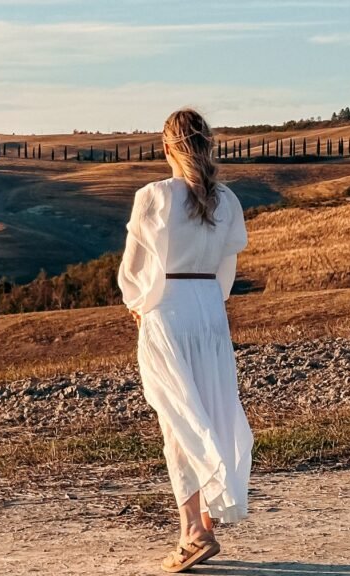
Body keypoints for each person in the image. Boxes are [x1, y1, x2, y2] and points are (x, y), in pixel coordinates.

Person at [117, 108, 253, 573]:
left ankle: (192, 530)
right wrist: (211, 304)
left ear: (167, 146)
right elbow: (227, 268)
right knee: (211, 410)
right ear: (207, 145)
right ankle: (205, 524)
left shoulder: (154, 196)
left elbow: (135, 267)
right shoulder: (227, 201)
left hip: (169, 308)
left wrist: (139, 303)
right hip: (210, 309)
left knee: (178, 418)